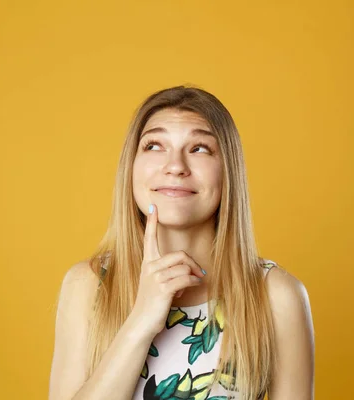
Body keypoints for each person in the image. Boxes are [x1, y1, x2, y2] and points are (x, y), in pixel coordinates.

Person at [49, 85, 315, 400]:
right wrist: (143, 318)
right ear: (131, 167)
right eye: (154, 146)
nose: (175, 166)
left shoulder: (275, 295)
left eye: (199, 148)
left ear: (227, 170)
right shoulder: (89, 284)